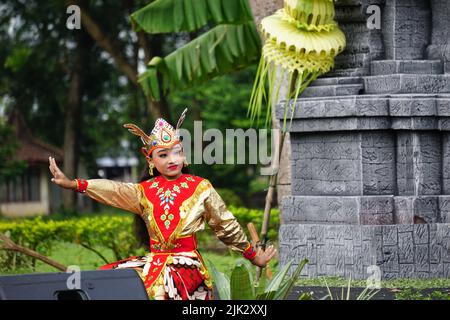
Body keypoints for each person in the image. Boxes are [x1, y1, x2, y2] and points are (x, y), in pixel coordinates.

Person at [48, 108, 276, 300]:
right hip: (154, 261)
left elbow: (226, 225)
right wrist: (74, 184)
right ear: (150, 159)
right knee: (107, 277)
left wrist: (253, 256)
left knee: (157, 288)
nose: (172, 159)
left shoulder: (201, 187)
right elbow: (113, 189)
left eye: (177, 152)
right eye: (163, 155)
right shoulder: (143, 191)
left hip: (187, 265)